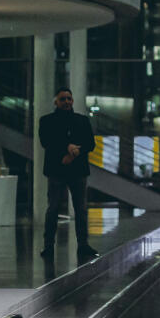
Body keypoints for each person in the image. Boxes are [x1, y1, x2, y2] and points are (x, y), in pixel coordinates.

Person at [38, 86, 97, 260]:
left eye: (69, 99)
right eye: (62, 99)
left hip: (77, 170)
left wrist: (73, 153)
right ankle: (48, 245)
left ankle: (83, 245)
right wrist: (67, 147)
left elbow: (90, 144)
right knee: (53, 208)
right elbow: (46, 141)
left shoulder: (82, 120)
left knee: (81, 209)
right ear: (56, 101)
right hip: (56, 170)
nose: (66, 102)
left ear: (72, 101)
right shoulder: (47, 120)